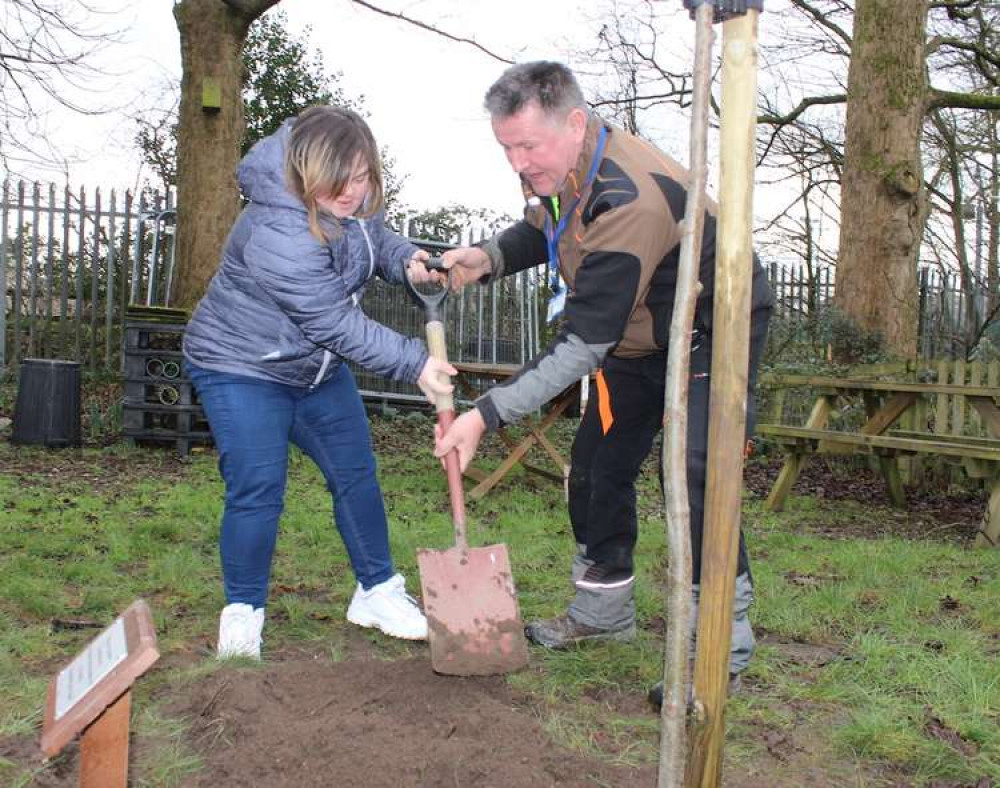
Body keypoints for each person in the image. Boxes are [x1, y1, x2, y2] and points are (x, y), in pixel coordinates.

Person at [432, 62, 773, 690]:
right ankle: (602, 612)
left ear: (576, 123)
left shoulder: (630, 198)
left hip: (710, 330)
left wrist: (485, 413)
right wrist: (488, 258)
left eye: (528, 146)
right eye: (507, 147)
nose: (518, 163)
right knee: (595, 468)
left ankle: (722, 641)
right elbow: (548, 230)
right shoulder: (566, 171)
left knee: (698, 472)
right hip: (637, 330)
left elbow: (583, 346)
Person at [183, 105, 455, 659]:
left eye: (363, 177)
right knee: (258, 488)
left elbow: (372, 236)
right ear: (308, 171)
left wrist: (407, 261)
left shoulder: (347, 203)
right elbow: (333, 321)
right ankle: (242, 613)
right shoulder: (277, 228)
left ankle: (377, 591)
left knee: (355, 474)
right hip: (241, 366)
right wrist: (415, 363)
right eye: (343, 180)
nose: (355, 191)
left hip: (315, 368)